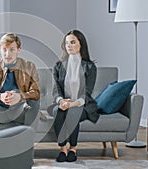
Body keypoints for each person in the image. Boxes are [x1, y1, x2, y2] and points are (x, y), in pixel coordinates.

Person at [48, 30, 100, 162]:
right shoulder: (59, 66)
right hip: (62, 103)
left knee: (73, 113)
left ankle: (73, 149)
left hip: (82, 104)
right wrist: (61, 101)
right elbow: (56, 90)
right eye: (66, 43)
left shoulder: (89, 67)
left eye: (72, 42)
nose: (69, 46)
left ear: (81, 44)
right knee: (59, 112)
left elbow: (87, 93)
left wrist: (71, 104)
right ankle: (63, 150)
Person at [0, 33, 40, 133]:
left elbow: (36, 92)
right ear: (0, 49)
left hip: (20, 109)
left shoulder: (29, 66)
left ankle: (27, 142)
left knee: (35, 103)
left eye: (12, 49)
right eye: (4, 49)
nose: (7, 54)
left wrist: (20, 96)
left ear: (18, 50)